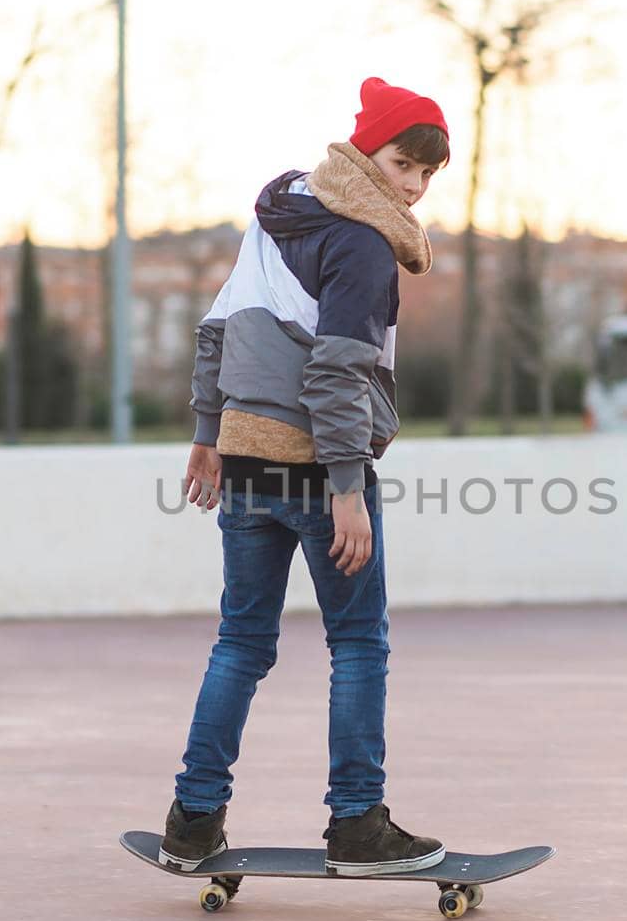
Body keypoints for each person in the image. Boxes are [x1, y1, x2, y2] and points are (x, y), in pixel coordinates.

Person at [160, 77, 450, 877]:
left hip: (248, 462)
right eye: (404, 164)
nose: (415, 186)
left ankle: (191, 822)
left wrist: (208, 432)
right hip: (322, 472)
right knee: (358, 643)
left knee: (241, 642)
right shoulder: (360, 241)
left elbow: (218, 327)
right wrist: (348, 489)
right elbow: (335, 376)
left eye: (430, 174)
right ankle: (357, 825)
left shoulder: (276, 214)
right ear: (366, 152)